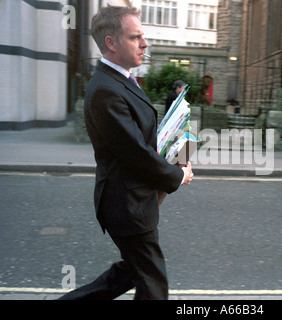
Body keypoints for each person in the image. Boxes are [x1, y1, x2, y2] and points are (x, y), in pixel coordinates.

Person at [58, 6, 193, 300]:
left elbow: (139, 138)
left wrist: (176, 150)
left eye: (142, 37)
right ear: (111, 43)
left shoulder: (122, 80)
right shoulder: (106, 89)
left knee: (131, 272)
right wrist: (177, 174)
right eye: (136, 37)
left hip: (136, 199)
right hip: (127, 205)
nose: (145, 44)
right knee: (154, 285)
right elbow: (135, 153)